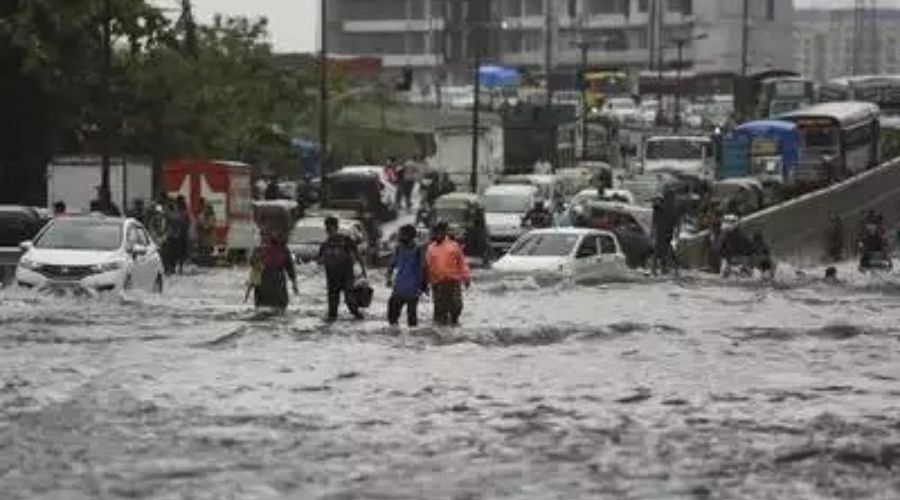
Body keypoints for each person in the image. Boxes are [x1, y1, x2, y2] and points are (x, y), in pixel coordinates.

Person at [318, 216, 367, 322]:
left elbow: (357, 255)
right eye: (327, 228)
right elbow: (320, 260)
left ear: (336, 227)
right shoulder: (326, 243)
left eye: (330, 228)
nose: (328, 231)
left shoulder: (346, 240)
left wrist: (363, 271)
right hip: (332, 278)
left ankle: (359, 317)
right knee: (332, 308)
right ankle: (333, 321)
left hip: (346, 276)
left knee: (350, 301)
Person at [426, 221, 471, 326]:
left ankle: (454, 324)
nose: (437, 235)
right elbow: (428, 266)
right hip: (437, 283)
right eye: (435, 233)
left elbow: (462, 262)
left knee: (457, 306)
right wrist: (425, 283)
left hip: (453, 282)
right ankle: (440, 331)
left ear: (444, 232)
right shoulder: (430, 248)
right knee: (439, 310)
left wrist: (466, 277)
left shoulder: (454, 246)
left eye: (439, 232)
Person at [386, 225, 427, 327]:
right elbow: (391, 265)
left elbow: (423, 268)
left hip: (413, 289)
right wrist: (388, 278)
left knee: (412, 320)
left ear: (409, 236)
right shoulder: (398, 248)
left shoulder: (418, 250)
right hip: (399, 287)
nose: (399, 237)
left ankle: (411, 340)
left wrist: (423, 285)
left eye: (401, 235)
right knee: (392, 317)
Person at [248, 232, 298, 310]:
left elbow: (253, 265)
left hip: (269, 289)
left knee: (264, 310)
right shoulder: (282, 251)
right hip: (274, 288)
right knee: (277, 310)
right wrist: (294, 284)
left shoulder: (282, 251)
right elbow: (290, 269)